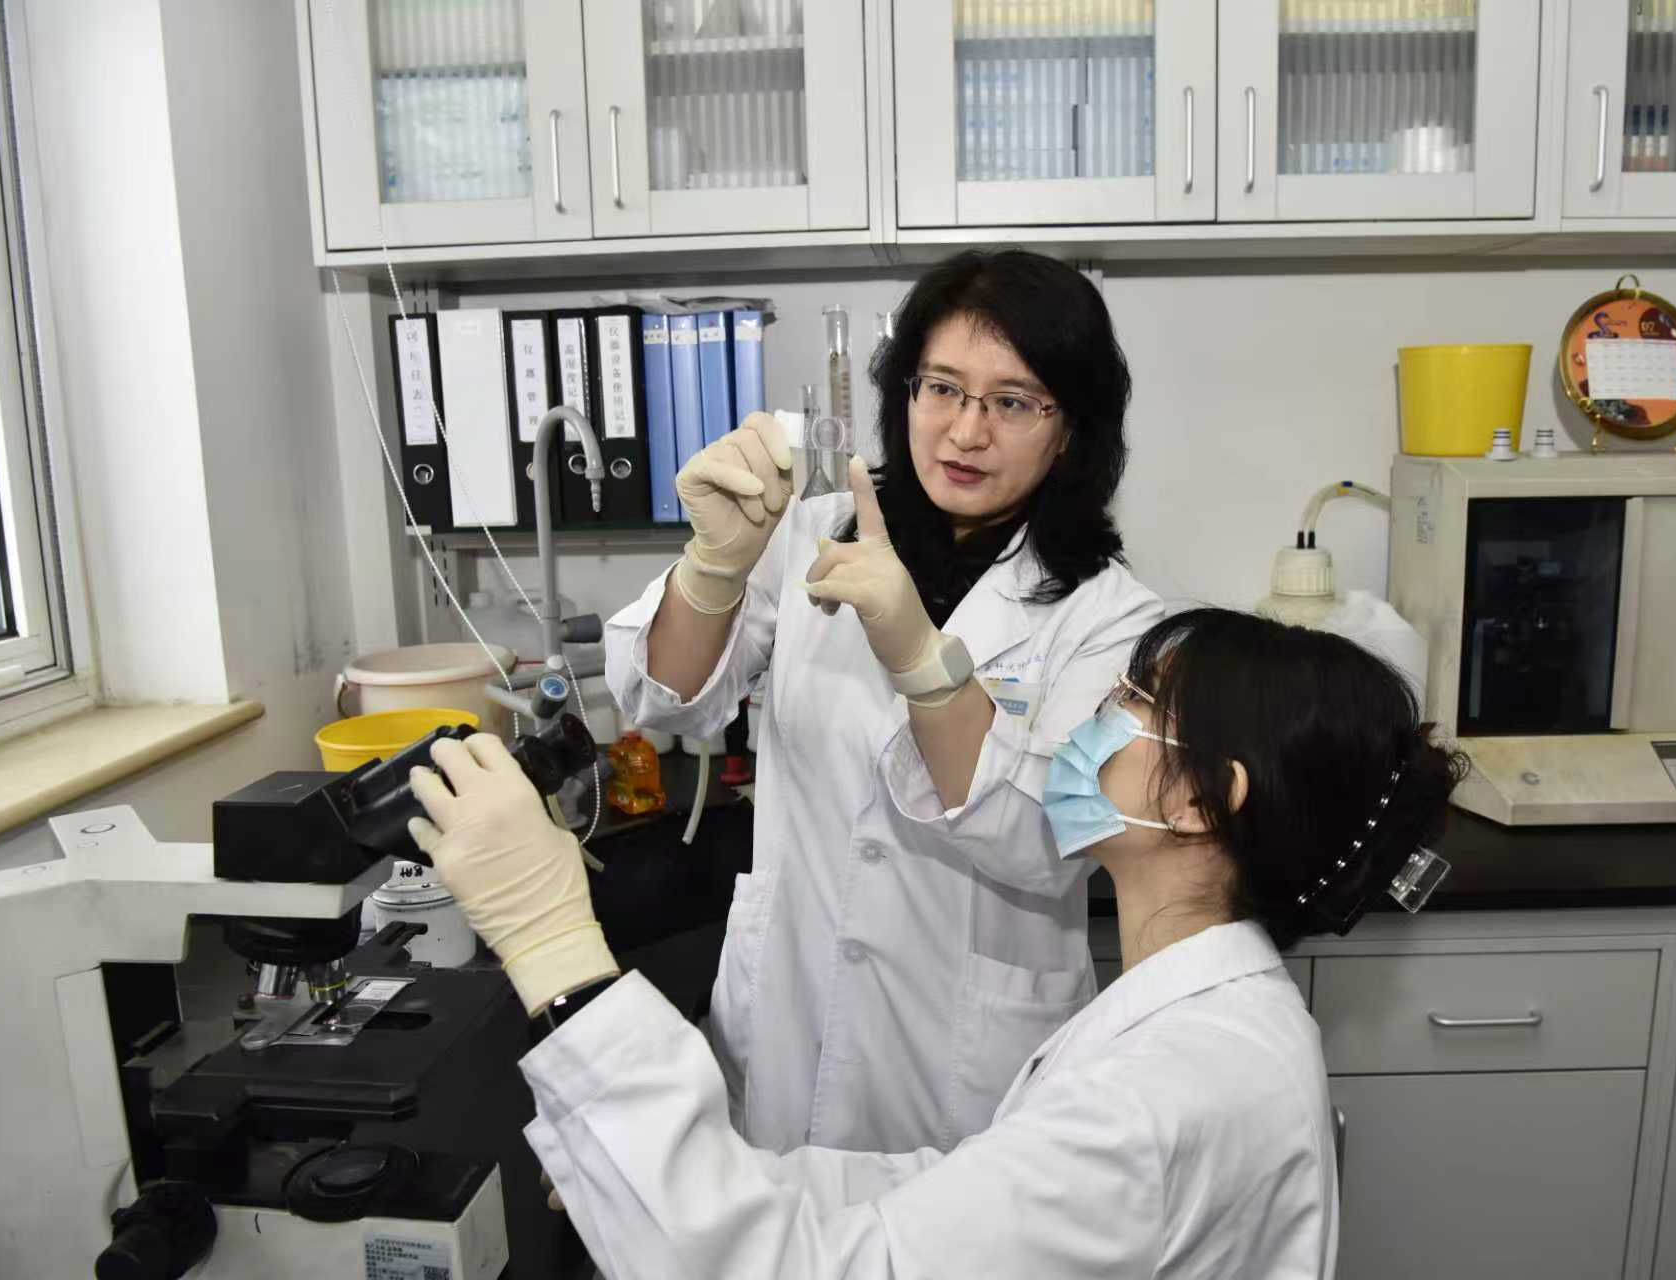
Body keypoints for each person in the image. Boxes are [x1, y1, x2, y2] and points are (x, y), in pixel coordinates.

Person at [406, 606, 1467, 1278]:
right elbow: (962, 1188)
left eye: (1137, 702)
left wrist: (551, 939)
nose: (1098, 713)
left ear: (1199, 803)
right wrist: (718, 1167)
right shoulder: (1202, 1011)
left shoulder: (1165, 1095)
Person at [601, 249, 1164, 1154]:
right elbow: (663, 703)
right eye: (941, 387)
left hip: (967, 1063)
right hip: (789, 1014)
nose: (964, 432)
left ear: (1073, 430)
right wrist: (714, 570)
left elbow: (1046, 842)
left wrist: (918, 656)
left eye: (1014, 402)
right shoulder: (808, 532)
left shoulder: (1109, 617)